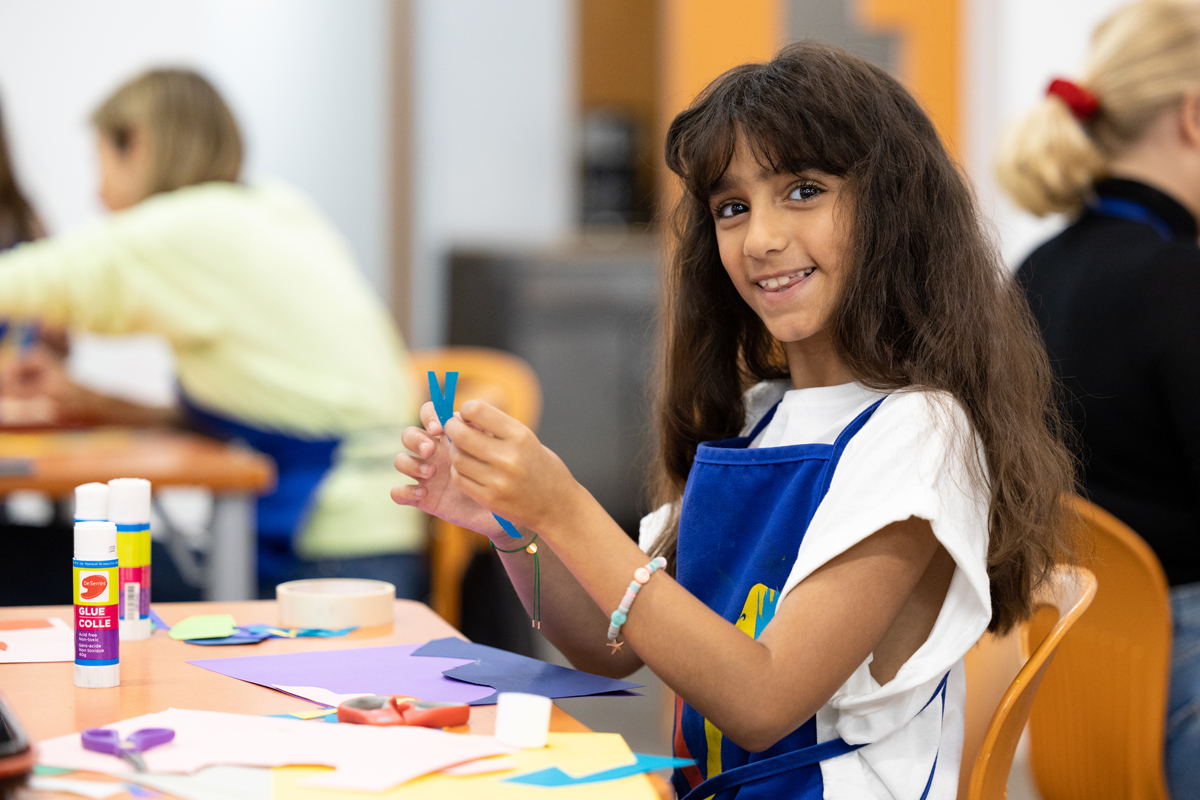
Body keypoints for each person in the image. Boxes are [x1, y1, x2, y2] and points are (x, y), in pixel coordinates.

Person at [394, 43, 1074, 800]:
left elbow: (763, 700)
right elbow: (610, 641)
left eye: (804, 190)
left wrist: (565, 504)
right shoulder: (760, 418)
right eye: (732, 207)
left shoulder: (919, 432)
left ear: (894, 209)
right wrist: (515, 527)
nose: (760, 239)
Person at [0, 68, 425, 600]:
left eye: (99, 161)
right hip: (372, 541)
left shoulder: (187, 227)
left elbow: (32, 280)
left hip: (325, 562)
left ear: (138, 143)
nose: (98, 194)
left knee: (20, 561)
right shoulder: (275, 207)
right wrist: (88, 398)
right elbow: (270, 406)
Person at [997, 2, 1200, 795]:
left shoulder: (1033, 273)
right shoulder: (1178, 282)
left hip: (1071, 689)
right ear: (1193, 116)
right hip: (1181, 689)